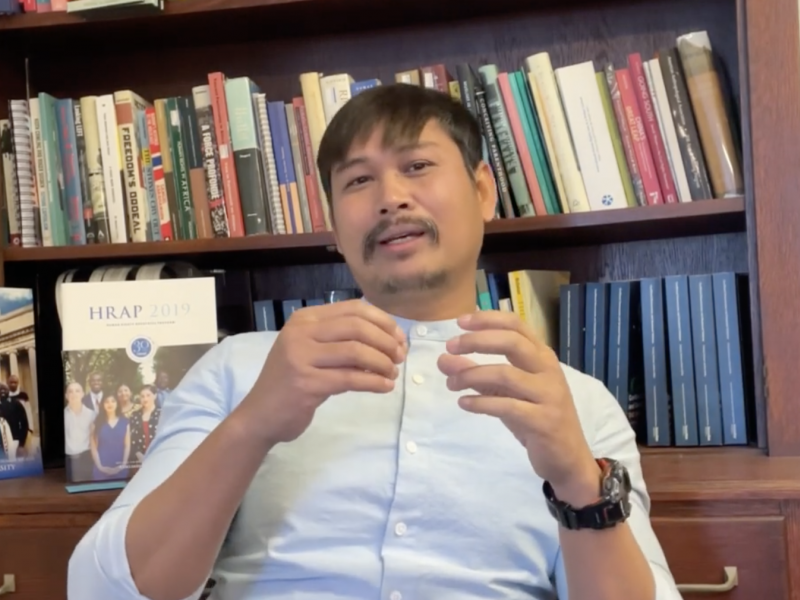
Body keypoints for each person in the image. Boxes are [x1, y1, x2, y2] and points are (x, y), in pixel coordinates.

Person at [67, 83, 681, 600]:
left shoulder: (574, 403)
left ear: (483, 191)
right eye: (359, 180)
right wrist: (253, 424)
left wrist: (578, 481)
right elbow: (99, 589)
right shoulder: (240, 369)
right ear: (334, 225)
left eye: (417, 166)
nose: (391, 198)